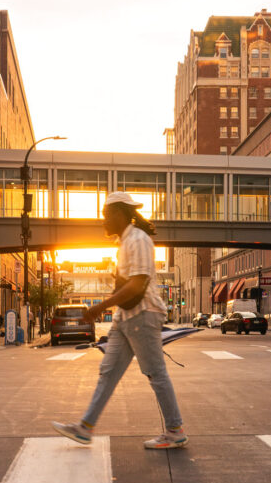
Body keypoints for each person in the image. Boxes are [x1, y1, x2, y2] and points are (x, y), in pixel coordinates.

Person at [51, 192, 188, 449]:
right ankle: (85, 428)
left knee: (155, 372)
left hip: (143, 315)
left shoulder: (139, 239)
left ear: (119, 214)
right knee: (108, 372)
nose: (103, 220)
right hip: (126, 318)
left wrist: (100, 306)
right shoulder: (125, 242)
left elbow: (138, 285)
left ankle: (175, 430)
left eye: (106, 215)